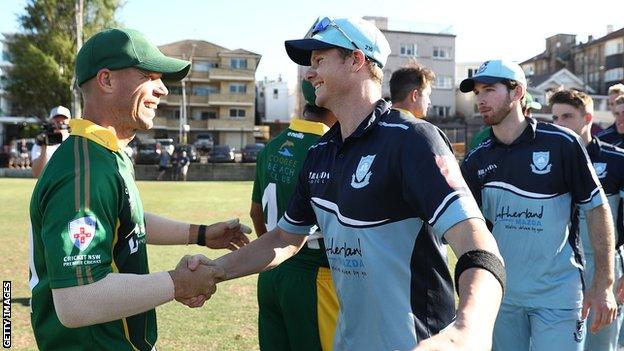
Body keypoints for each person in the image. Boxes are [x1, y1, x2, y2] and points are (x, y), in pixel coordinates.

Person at [187, 16, 506, 350]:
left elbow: (477, 245)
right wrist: (216, 269)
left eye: (319, 60)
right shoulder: (320, 153)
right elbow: (283, 238)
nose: (309, 73)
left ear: (357, 60)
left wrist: (469, 329)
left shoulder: (413, 141)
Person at [28, 28, 251, 351]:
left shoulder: (104, 153)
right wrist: (178, 283)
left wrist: (200, 233)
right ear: (106, 80)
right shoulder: (84, 170)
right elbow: (75, 301)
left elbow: (124, 217)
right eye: (149, 76)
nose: (162, 89)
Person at [459, 59, 617, 351]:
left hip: (558, 294)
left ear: (517, 92)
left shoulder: (562, 143)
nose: (480, 100)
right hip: (502, 295)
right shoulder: (476, 159)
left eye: (489, 90)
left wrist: (604, 282)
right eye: (477, 92)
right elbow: (465, 226)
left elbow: (597, 210)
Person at [250, 79, 338, 351]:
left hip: (270, 273)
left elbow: (255, 212)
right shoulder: (330, 148)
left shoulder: (272, 145)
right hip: (313, 276)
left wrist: (272, 249)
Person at [550, 88, 624, 351]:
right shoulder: (549, 161)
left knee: (601, 343)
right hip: (558, 267)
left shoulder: (616, 160)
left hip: (602, 264)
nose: (559, 124)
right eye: (555, 118)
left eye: (566, 116)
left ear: (588, 118)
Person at [467, 92, 541, 151]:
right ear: (523, 110)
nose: (531, 115)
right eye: (529, 110)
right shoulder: (536, 137)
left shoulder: (479, 137)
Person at [31, 106, 72, 177]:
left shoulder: (74, 141)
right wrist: (44, 147)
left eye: (63, 120)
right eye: (57, 121)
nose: (60, 124)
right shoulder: (42, 142)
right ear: (50, 122)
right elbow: (37, 174)